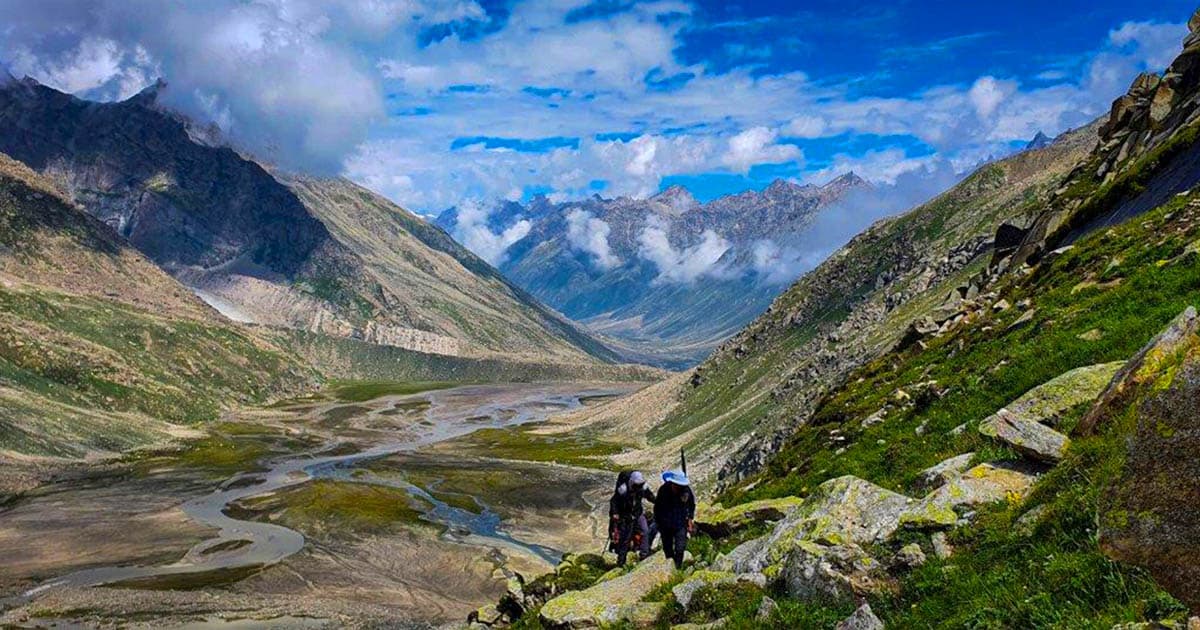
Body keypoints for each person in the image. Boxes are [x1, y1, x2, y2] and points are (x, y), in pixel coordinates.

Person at [607, 470, 654, 566]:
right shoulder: (623, 490)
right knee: (626, 539)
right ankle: (621, 562)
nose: (638, 487)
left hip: (637, 513)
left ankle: (644, 555)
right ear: (632, 482)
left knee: (645, 531)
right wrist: (615, 513)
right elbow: (614, 502)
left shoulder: (642, 488)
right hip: (626, 516)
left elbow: (650, 496)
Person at [654, 470, 695, 570]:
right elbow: (657, 508)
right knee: (667, 549)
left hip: (680, 523)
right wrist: (659, 523)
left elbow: (691, 505)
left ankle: (678, 567)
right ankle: (670, 566)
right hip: (665, 525)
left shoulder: (686, 491)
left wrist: (690, 519)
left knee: (680, 548)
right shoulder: (663, 490)